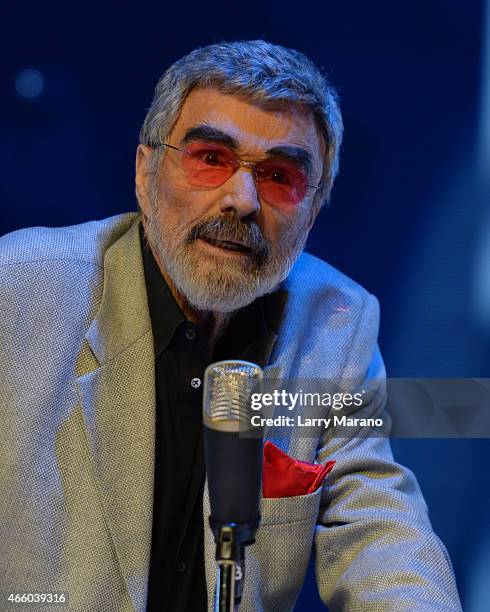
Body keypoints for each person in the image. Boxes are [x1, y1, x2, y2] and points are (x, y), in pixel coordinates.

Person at [0, 40, 462, 611]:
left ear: (314, 211)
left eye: (278, 176)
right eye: (211, 159)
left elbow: (378, 531)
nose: (241, 200)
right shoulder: (20, 290)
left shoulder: (338, 322)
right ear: (145, 172)